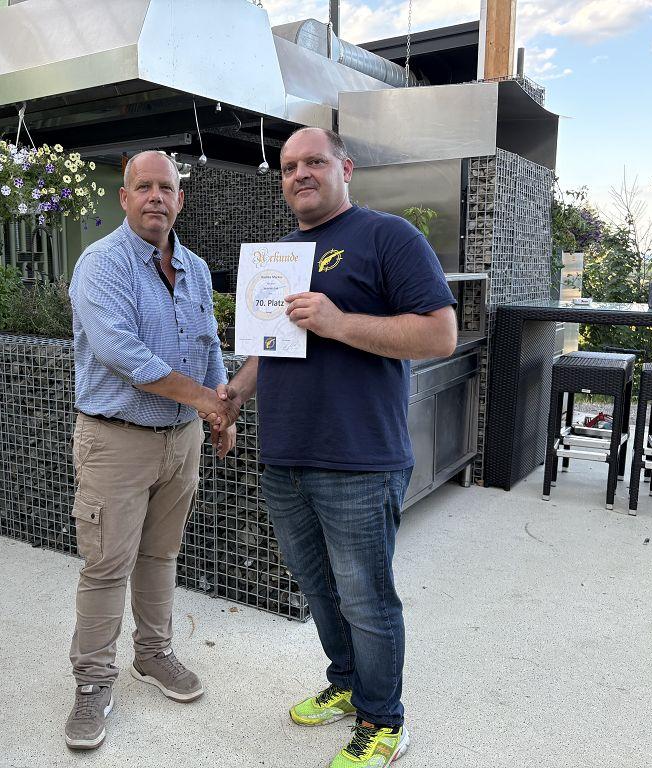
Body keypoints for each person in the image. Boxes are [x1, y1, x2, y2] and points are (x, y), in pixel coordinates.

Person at [220, 127, 458, 767]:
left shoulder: (387, 237)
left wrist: (337, 322)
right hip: (285, 456)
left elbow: (439, 334)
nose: (300, 173)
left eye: (314, 161)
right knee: (319, 591)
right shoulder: (281, 255)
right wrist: (236, 394)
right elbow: (271, 344)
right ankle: (349, 684)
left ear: (344, 168)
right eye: (288, 166)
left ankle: (383, 720)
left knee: (366, 599)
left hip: (359, 460)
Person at [64, 150, 238, 750]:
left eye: (166, 187)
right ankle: (92, 682)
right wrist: (208, 401)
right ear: (125, 197)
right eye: (144, 187)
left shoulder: (195, 267)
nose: (156, 197)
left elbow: (208, 344)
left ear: (180, 199)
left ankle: (153, 654)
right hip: (117, 441)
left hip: (181, 440)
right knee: (107, 564)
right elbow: (125, 355)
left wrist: (220, 411)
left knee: (161, 554)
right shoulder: (101, 265)